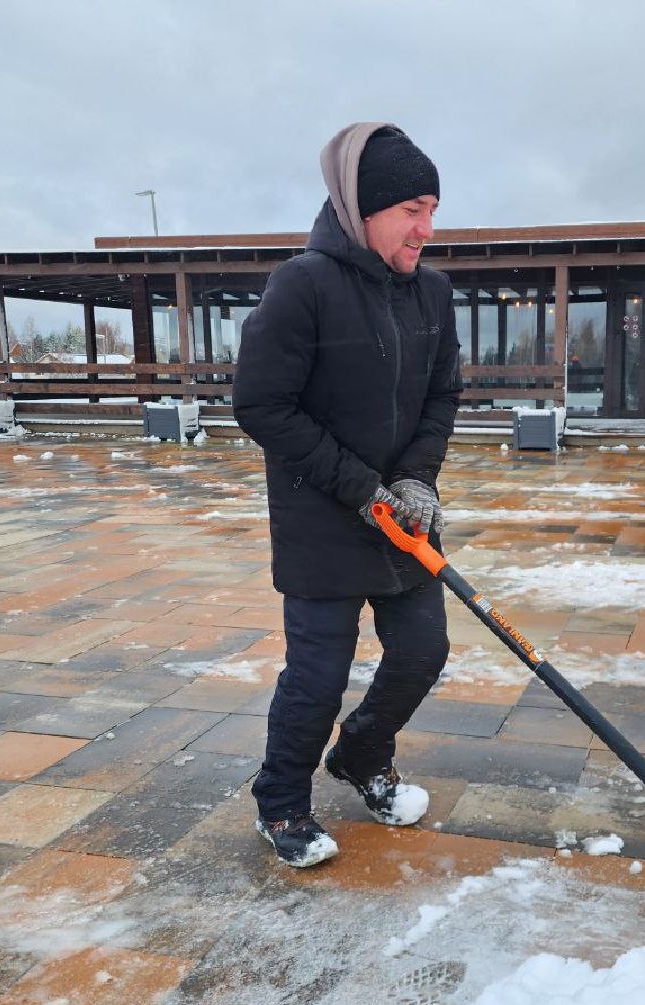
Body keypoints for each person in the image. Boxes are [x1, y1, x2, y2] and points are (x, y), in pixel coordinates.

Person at [232, 122, 461, 867]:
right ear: (362, 208)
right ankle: (281, 804)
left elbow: (441, 397)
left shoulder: (433, 292)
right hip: (323, 518)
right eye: (410, 209)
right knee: (320, 675)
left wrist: (416, 478)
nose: (426, 228)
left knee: (423, 650)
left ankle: (362, 758)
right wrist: (361, 489)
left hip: (403, 517)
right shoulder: (304, 285)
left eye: (433, 208)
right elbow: (262, 404)